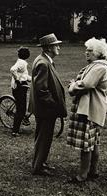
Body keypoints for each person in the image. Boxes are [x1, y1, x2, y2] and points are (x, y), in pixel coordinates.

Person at [67, 37, 107, 183]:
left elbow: (86, 84)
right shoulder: (95, 65)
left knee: (87, 144)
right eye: (86, 50)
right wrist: (76, 83)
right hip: (90, 107)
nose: (86, 52)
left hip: (90, 109)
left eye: (89, 50)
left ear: (98, 53)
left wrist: (73, 86)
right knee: (93, 142)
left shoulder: (99, 67)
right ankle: (93, 171)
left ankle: (83, 175)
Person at [29, 33, 67, 176]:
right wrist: (53, 105)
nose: (59, 47)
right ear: (49, 47)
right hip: (45, 110)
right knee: (44, 137)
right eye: (56, 45)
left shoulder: (45, 60)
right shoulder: (43, 63)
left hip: (45, 109)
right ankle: (38, 167)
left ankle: (41, 163)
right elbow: (42, 90)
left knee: (44, 136)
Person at [10, 47, 32, 136]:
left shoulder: (21, 62)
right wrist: (18, 80)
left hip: (20, 86)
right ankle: (15, 131)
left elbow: (24, 75)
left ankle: (22, 120)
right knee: (21, 110)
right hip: (19, 87)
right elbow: (12, 69)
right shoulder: (22, 63)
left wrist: (32, 79)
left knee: (21, 107)